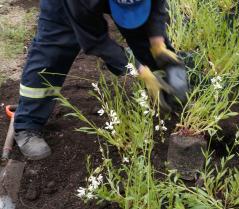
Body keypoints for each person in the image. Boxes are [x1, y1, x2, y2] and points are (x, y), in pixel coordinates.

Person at [13, 0, 188, 160]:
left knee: (145, 34)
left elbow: (156, 6)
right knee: (55, 48)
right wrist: (139, 70)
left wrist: (157, 42)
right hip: (69, 5)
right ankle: (28, 123)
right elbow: (94, 40)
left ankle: (167, 94)